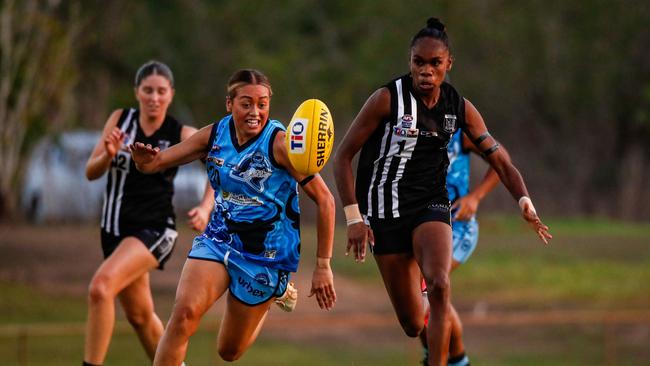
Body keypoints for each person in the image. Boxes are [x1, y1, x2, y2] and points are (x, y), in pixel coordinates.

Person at [333, 18, 552, 366]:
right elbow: (343, 157)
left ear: (448, 64)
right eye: (419, 62)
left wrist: (523, 200)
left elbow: (500, 159)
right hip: (385, 212)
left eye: (435, 63)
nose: (426, 71)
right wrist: (354, 217)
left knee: (439, 284)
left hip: (431, 205)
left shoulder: (459, 107)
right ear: (410, 62)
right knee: (409, 323)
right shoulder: (386, 100)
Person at [130, 69, 336, 365]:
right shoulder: (214, 135)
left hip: (265, 257)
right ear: (230, 104)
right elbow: (157, 162)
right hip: (218, 240)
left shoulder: (279, 143)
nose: (255, 112)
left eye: (262, 104)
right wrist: (143, 162)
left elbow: (325, 201)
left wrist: (323, 266)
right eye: (246, 103)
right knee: (183, 316)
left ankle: (274, 294)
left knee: (229, 351)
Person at [83, 60, 214, 366]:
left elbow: (220, 167)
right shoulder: (120, 120)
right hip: (113, 230)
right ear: (137, 92)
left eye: (161, 91)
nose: (154, 97)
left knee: (100, 288)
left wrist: (206, 208)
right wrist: (108, 155)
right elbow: (91, 172)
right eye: (148, 90)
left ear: (170, 94)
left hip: (155, 230)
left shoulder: (181, 131)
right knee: (140, 317)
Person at [419, 127, 502, 366]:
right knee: (420, 299)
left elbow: (500, 158)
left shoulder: (458, 131)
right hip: (422, 228)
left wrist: (475, 197)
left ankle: (438, 359)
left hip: (457, 229)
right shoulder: (407, 124)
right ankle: (455, 360)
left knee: (430, 290)